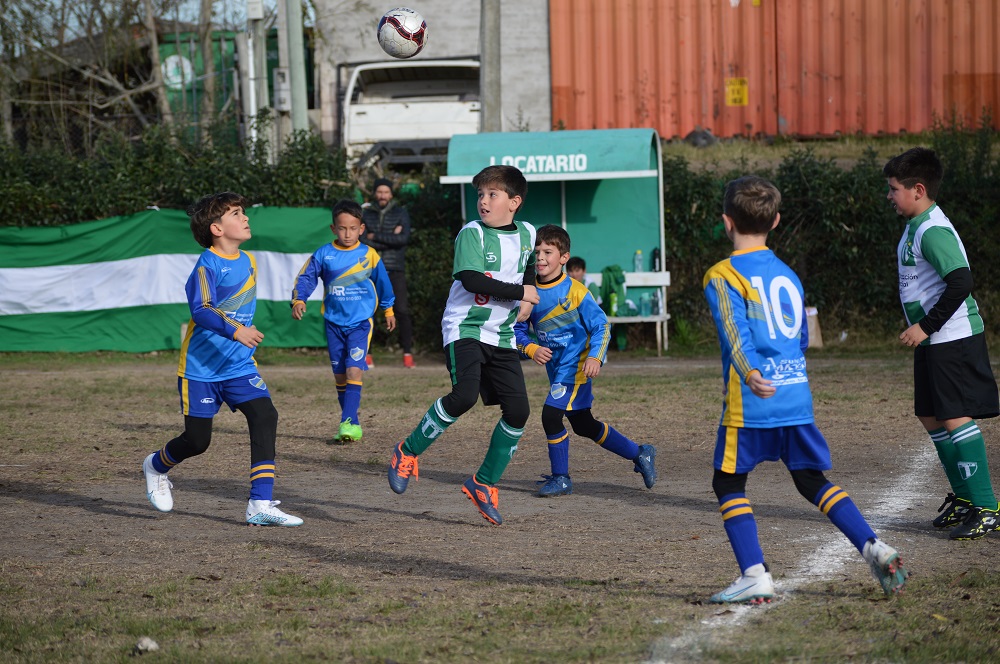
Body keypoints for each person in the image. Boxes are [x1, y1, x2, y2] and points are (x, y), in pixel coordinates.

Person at [702, 175, 907, 603]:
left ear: (726, 222)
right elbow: (797, 338)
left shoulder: (722, 274)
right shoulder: (788, 274)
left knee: (727, 483)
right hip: (796, 395)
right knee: (810, 479)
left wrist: (750, 373)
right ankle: (873, 546)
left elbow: (733, 333)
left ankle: (754, 573)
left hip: (753, 399)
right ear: (776, 221)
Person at [385, 164, 540, 525]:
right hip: (464, 329)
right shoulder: (472, 233)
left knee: (518, 412)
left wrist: (528, 299)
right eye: (480, 195)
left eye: (493, 195)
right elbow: (471, 280)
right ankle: (406, 452)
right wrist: (521, 292)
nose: (483, 202)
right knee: (464, 395)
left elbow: (528, 264)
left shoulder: (529, 233)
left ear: (514, 202)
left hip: (501, 334)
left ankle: (483, 483)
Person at [141, 192, 302, 527]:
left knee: (264, 415)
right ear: (216, 228)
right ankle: (156, 466)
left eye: (243, 212)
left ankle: (259, 503)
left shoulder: (249, 260)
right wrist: (237, 330)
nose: (245, 218)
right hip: (201, 369)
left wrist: (241, 336)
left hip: (239, 366)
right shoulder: (207, 265)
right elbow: (201, 309)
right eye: (236, 213)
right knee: (198, 441)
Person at [884, 147, 1000, 540]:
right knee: (931, 416)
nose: (889, 196)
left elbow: (962, 281)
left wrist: (925, 326)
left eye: (894, 189)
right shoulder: (917, 223)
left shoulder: (931, 229)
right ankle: (967, 500)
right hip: (935, 340)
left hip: (951, 336)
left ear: (918, 190)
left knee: (954, 416)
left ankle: (986, 507)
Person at [515, 225, 656, 497]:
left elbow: (601, 326)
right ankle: (640, 453)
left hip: (575, 367)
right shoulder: (528, 292)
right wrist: (530, 348)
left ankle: (562, 478)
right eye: (537, 252)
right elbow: (517, 330)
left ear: (564, 258)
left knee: (550, 416)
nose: (541, 258)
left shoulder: (576, 291)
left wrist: (595, 357)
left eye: (548, 252)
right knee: (583, 425)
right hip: (557, 370)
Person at [291, 199, 396, 443]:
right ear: (333, 228)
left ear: (361, 228)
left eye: (352, 228)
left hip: (360, 323)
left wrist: (388, 310)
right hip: (333, 323)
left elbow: (384, 284)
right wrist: (299, 300)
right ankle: (352, 420)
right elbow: (306, 278)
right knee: (340, 375)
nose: (347, 233)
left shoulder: (369, 255)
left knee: (353, 369)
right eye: (342, 228)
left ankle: (347, 423)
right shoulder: (324, 254)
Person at [362, 177, 415, 368]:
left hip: (395, 269)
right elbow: (362, 240)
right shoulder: (366, 214)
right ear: (375, 193)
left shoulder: (401, 213)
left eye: (386, 192)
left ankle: (407, 354)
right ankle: (367, 354)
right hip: (372, 269)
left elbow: (403, 239)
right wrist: (391, 236)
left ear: (391, 194)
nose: (382, 195)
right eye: (379, 192)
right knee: (370, 312)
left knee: (401, 311)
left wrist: (374, 235)